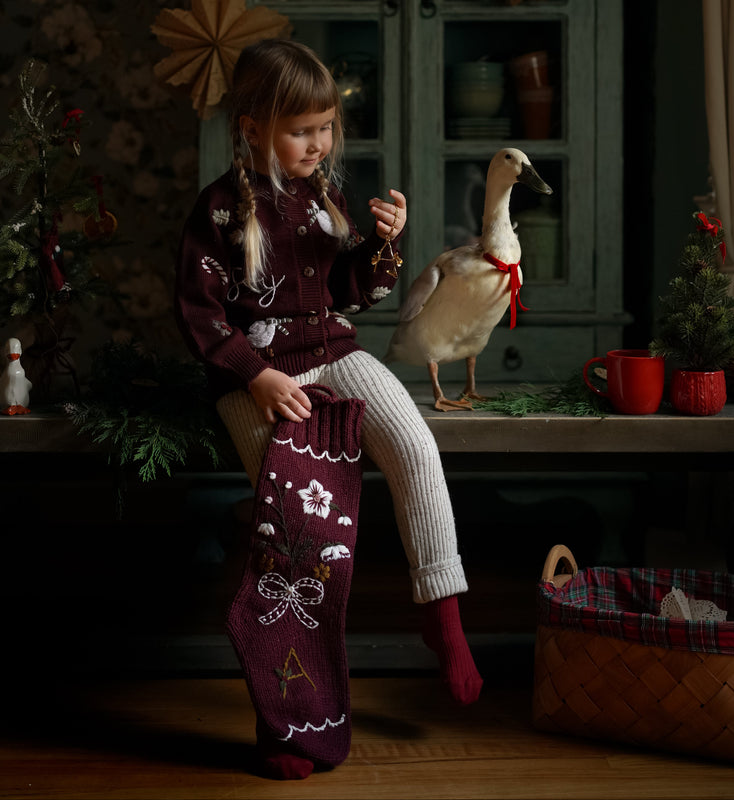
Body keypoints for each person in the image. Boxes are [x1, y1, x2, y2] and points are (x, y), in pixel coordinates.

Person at [174, 38, 482, 779]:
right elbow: (200, 313)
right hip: (260, 377)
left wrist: (382, 247)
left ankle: (443, 616)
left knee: (415, 445)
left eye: (326, 128)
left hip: (335, 351)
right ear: (251, 126)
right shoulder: (217, 211)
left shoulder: (322, 200)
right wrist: (253, 377)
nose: (319, 144)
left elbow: (347, 290)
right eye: (301, 129)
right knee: (296, 524)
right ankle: (285, 713)